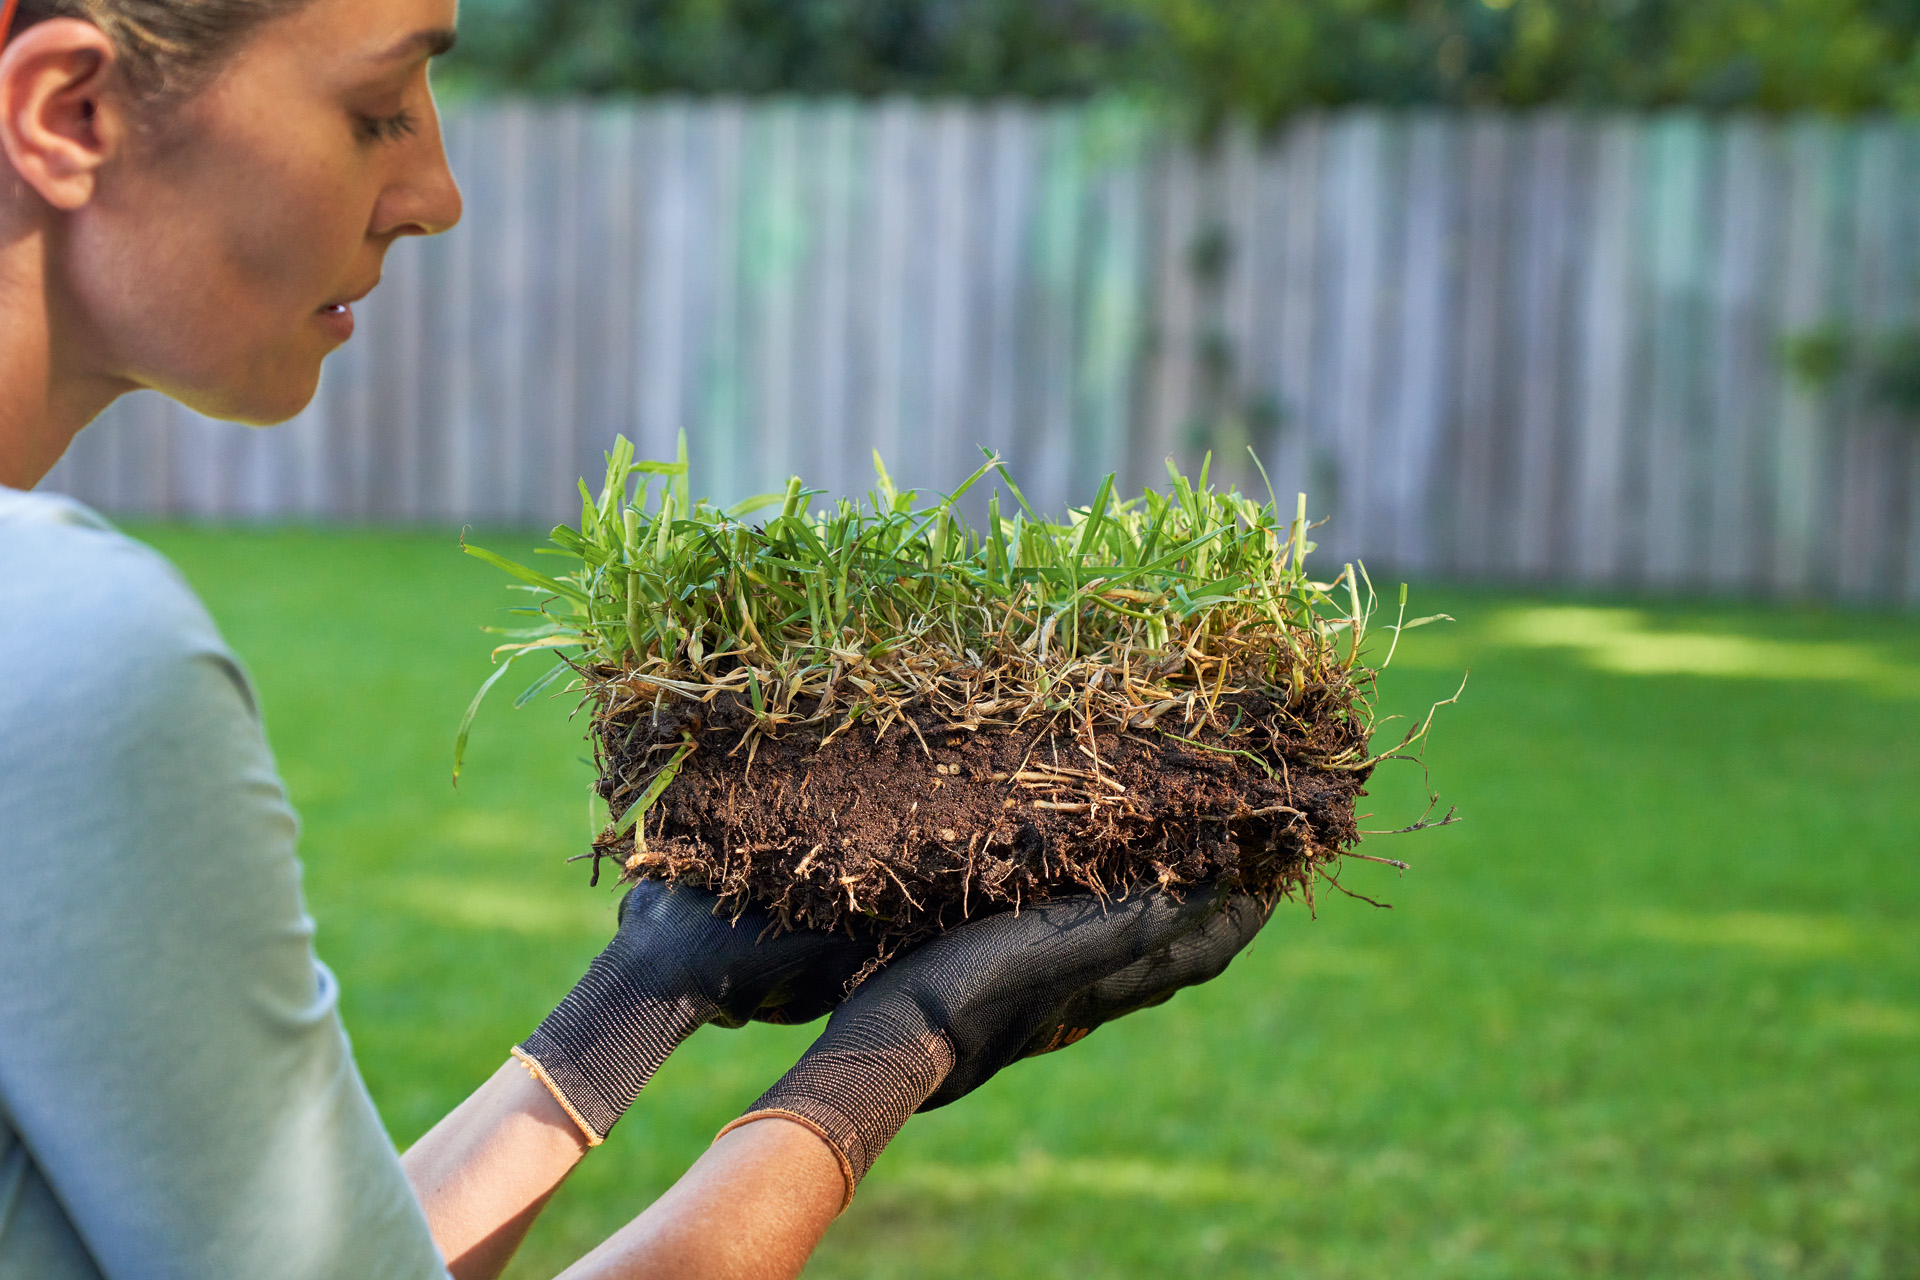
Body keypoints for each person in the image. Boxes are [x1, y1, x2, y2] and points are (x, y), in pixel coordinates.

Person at [0, 1, 1271, 1276]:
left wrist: (630, 1005)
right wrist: (893, 1054)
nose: (434, 193)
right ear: (72, 114)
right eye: (377, 106)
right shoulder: (64, 655)